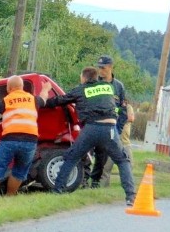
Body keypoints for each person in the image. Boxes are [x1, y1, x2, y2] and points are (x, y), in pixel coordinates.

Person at [46, 66, 137, 206]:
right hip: (110, 129)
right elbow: (120, 107)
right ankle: (131, 196)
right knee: (122, 161)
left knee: (72, 157)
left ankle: (57, 190)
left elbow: (58, 100)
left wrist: (44, 96)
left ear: (84, 78)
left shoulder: (80, 89)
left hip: (91, 128)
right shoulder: (108, 87)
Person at [0, 75, 53, 197]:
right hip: (30, 141)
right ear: (22, 87)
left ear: (9, 88)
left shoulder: (7, 100)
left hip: (10, 140)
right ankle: (10, 197)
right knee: (19, 172)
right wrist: (46, 88)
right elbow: (44, 98)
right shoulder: (32, 99)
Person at [89, 55, 128, 188]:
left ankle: (96, 181)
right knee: (89, 153)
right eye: (99, 67)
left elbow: (123, 109)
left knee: (103, 155)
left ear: (110, 67)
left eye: (103, 68)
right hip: (95, 124)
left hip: (112, 127)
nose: (100, 70)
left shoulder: (118, 86)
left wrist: (120, 128)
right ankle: (85, 179)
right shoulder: (94, 82)